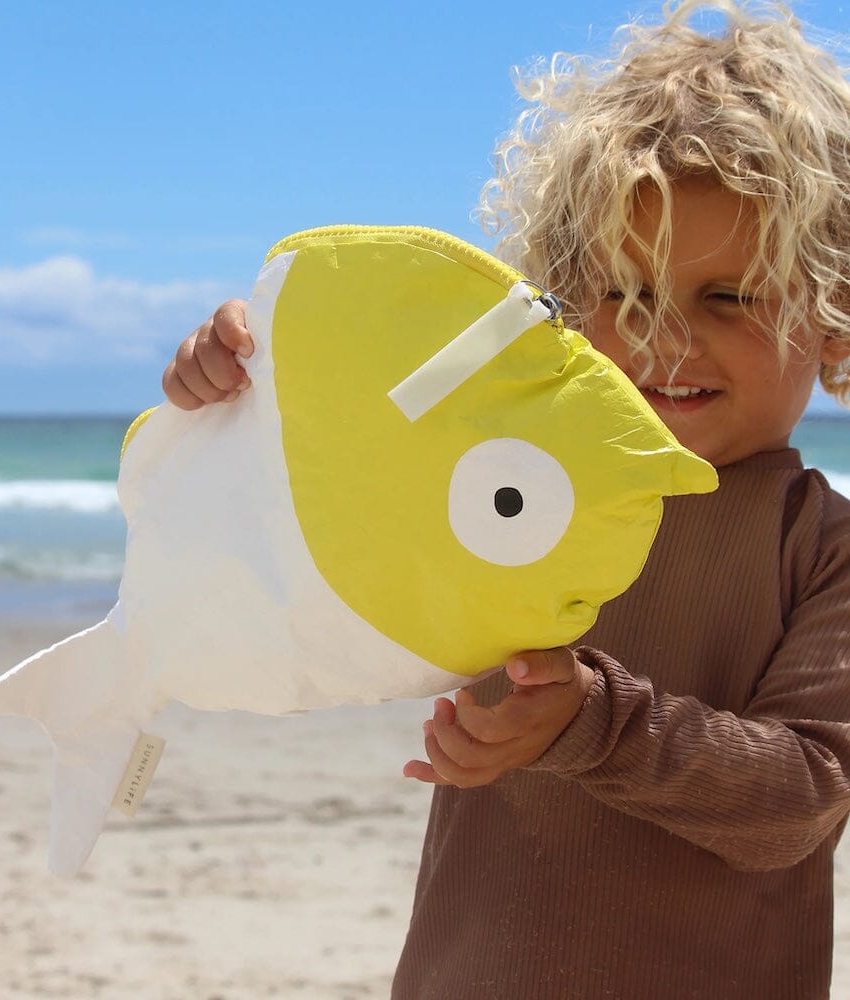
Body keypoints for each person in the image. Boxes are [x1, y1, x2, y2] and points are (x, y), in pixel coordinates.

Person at [162, 2, 850, 996]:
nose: (665, 340)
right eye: (625, 295)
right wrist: (246, 389)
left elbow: (800, 802)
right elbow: (309, 530)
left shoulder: (821, 550)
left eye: (729, 298)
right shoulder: (503, 479)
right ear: (561, 302)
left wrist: (594, 724)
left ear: (832, 314)